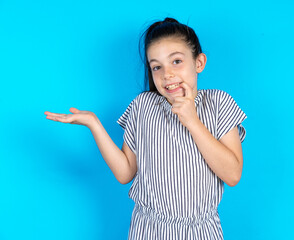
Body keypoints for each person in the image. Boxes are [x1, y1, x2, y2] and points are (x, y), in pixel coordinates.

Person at [45, 17, 247, 240]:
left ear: (199, 62)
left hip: (200, 231)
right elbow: (125, 173)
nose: (167, 74)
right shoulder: (143, 107)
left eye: (176, 61)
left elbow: (233, 174)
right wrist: (94, 124)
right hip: (148, 230)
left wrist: (192, 120)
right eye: (156, 67)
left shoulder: (219, 103)